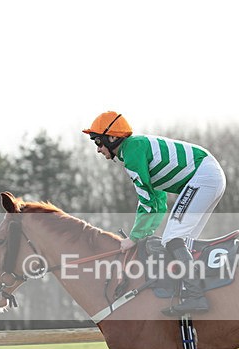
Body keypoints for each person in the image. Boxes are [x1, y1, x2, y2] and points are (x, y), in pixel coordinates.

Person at [83, 111, 226, 316]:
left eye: (98, 142)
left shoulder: (132, 153)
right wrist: (145, 232)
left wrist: (134, 237)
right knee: (183, 240)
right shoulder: (134, 150)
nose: (97, 149)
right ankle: (191, 291)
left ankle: (196, 297)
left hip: (204, 177)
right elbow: (158, 200)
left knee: (173, 238)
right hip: (209, 175)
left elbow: (147, 201)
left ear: (112, 138)